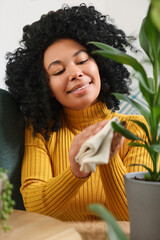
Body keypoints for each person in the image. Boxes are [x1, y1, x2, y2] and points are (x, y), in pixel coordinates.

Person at [5, 4, 152, 221]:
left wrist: (106, 156)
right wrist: (77, 172)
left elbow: (136, 216)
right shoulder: (41, 131)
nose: (75, 73)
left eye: (82, 60)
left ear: (100, 65)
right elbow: (35, 208)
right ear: (48, 89)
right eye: (58, 71)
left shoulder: (136, 127)